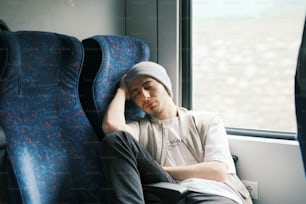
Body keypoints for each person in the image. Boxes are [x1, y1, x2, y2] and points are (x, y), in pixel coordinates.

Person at [101, 61, 252, 204]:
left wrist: (163, 170)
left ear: (166, 87)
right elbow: (111, 127)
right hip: (169, 191)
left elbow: (217, 172)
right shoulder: (140, 128)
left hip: (213, 192)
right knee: (116, 139)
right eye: (135, 93)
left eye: (148, 86)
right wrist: (121, 91)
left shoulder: (207, 120)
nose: (144, 96)